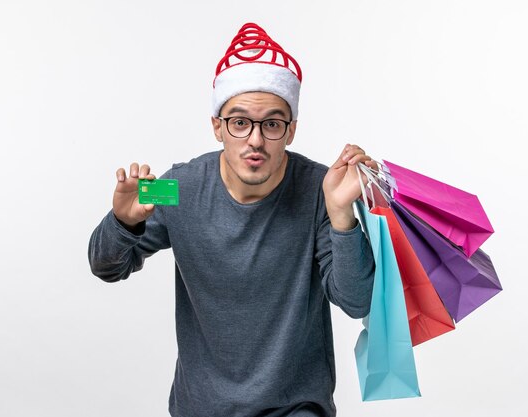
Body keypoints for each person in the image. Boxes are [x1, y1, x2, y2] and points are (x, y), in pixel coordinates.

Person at [88, 23, 376, 417]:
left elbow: (357, 300)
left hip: (295, 408)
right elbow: (105, 267)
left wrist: (342, 215)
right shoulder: (176, 187)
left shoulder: (319, 189)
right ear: (217, 127)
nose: (255, 140)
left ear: (290, 132)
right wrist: (122, 223)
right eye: (240, 122)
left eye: (272, 124)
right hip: (200, 408)